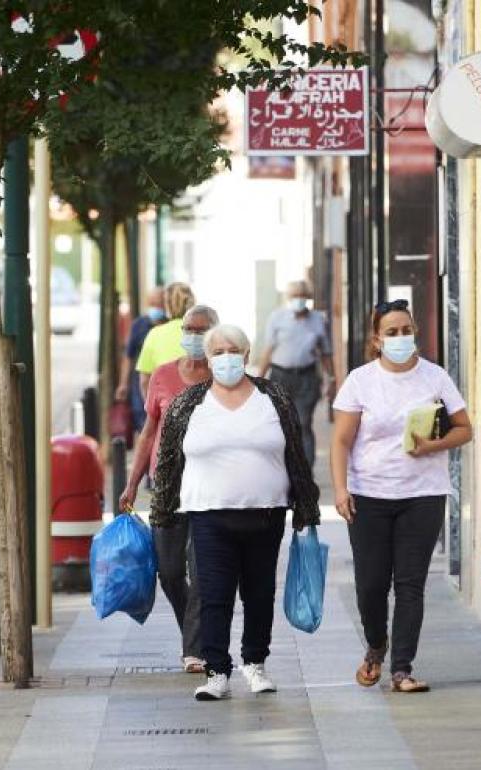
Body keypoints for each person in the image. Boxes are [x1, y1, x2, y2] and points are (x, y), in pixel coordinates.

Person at [151, 324, 320, 701]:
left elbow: (295, 452)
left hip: (266, 513)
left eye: (233, 350)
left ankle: (255, 663)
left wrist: (306, 506)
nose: (226, 357)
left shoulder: (273, 397)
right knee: (214, 594)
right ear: (208, 360)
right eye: (218, 352)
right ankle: (216, 671)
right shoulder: (188, 404)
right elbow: (167, 462)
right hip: (208, 516)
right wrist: (162, 512)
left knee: (259, 593)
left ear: (246, 355)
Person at [330, 299, 473, 693]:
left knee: (410, 584)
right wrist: (341, 490)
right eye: (391, 332)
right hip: (369, 494)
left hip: (423, 495)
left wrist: (431, 446)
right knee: (371, 585)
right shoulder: (360, 381)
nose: (400, 338)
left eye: (405, 330)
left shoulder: (435, 377)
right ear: (376, 340)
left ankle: (402, 669)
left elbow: (464, 428)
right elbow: (341, 441)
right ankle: (376, 644)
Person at [119, 304, 220, 673]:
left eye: (202, 329)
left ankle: (194, 647)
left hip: (210, 484)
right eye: (189, 329)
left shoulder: (224, 376)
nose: (193, 336)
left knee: (203, 567)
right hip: (166, 484)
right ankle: (193, 632)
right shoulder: (163, 375)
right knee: (170, 570)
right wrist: (131, 483)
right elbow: (148, 432)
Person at [256, 280, 335, 465]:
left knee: (303, 423)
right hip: (280, 376)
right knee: (281, 424)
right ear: (288, 298)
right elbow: (268, 350)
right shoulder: (277, 318)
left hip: (307, 378)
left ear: (307, 298)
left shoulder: (317, 320)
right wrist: (258, 378)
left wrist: (331, 379)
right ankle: (286, 468)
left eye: (302, 296)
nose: (298, 300)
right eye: (294, 296)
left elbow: (326, 352)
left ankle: (306, 473)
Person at [116, 286, 166, 434]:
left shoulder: (171, 326)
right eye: (152, 304)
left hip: (162, 385)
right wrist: (123, 384)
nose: (155, 308)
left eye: (158, 304)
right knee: (143, 426)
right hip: (140, 385)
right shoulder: (138, 325)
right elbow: (128, 356)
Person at [135, 282, 195, 396]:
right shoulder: (206, 332)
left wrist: (152, 409)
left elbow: (144, 381)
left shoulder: (155, 334)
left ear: (167, 306)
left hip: (166, 407)